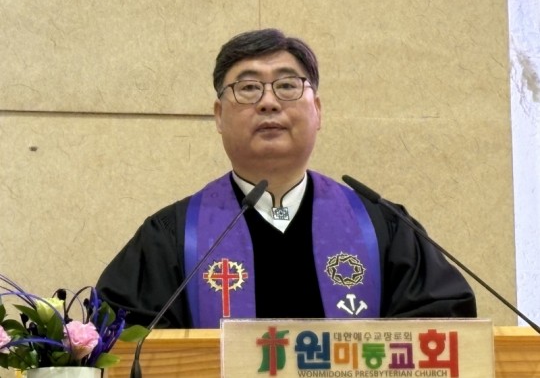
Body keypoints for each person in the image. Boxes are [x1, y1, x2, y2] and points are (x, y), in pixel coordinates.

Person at [96, 28, 477, 328]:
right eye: (248, 88)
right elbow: (124, 342)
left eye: (287, 86)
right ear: (219, 115)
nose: (268, 102)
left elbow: (444, 330)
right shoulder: (173, 235)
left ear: (318, 110)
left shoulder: (382, 227)